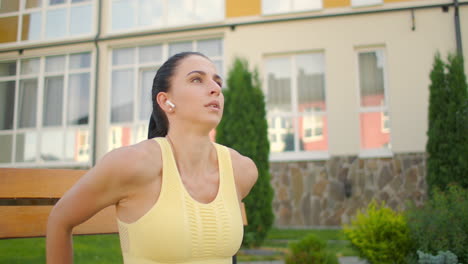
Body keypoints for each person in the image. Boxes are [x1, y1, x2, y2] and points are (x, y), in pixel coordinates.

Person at [46, 51, 258, 264]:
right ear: (166, 101)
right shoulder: (133, 164)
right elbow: (60, 219)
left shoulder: (241, 170)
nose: (216, 89)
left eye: (217, 81)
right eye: (196, 79)